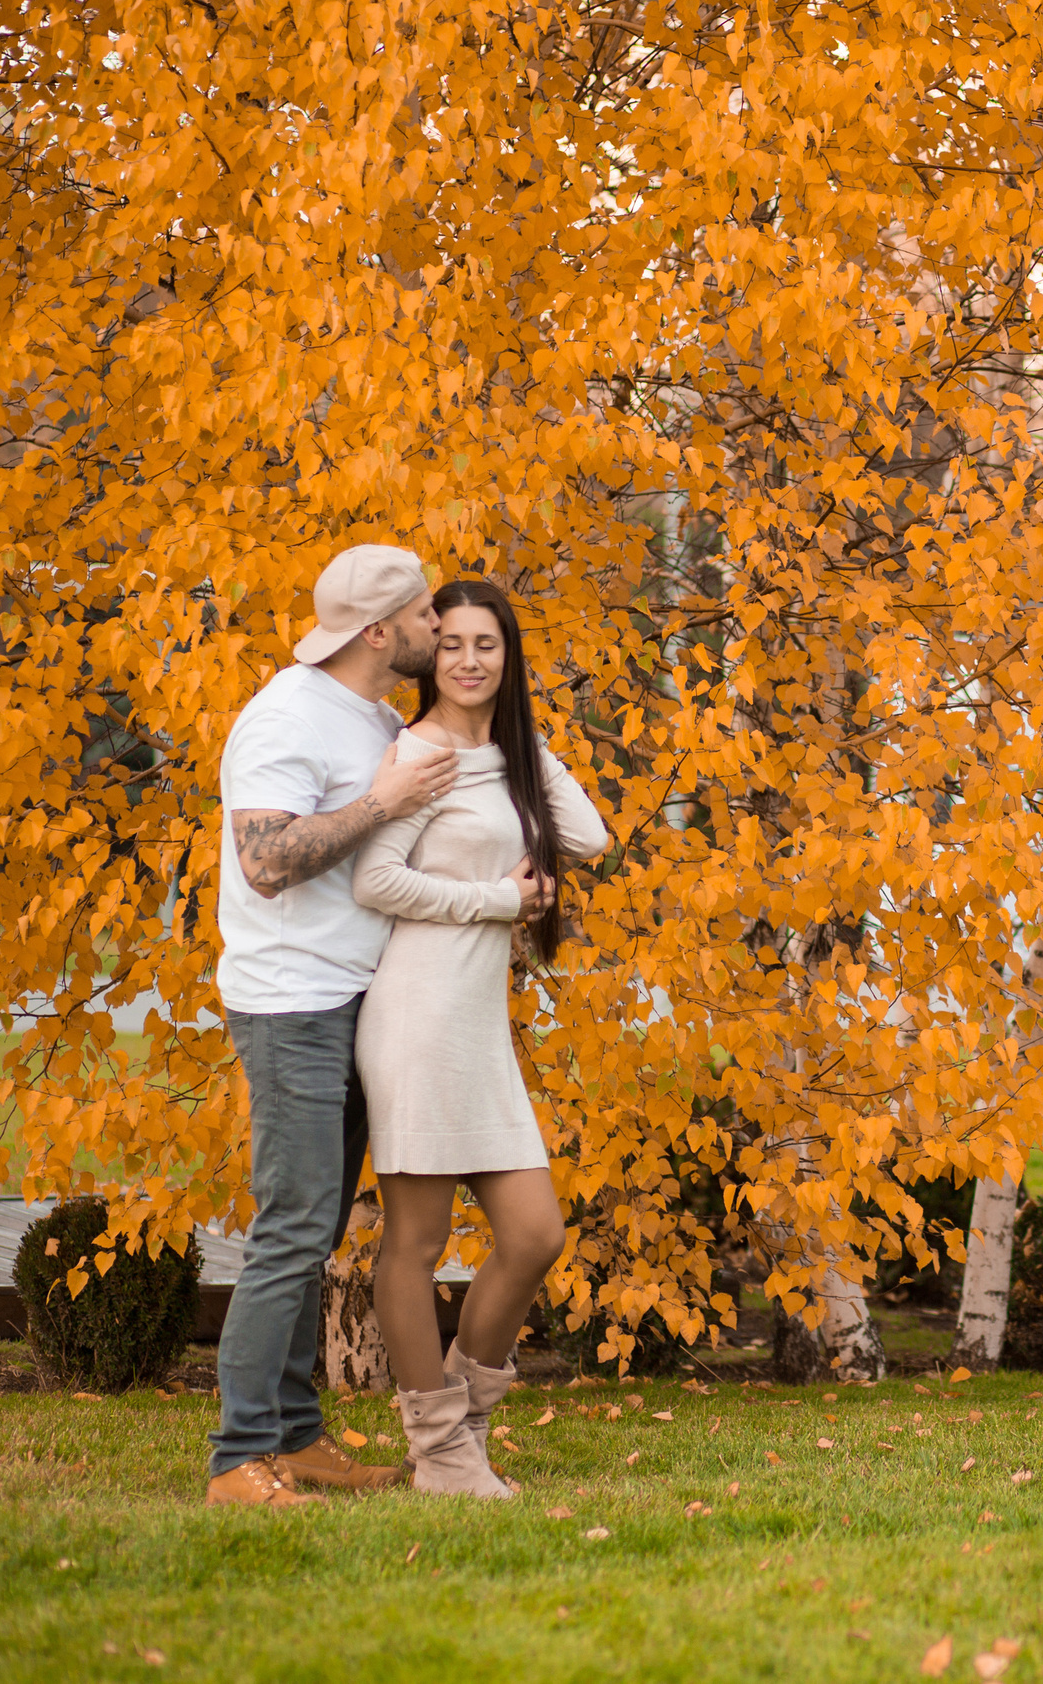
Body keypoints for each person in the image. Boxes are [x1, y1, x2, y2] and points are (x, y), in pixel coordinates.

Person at [207, 544, 456, 1508]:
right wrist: (379, 803)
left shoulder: (376, 715)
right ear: (380, 630)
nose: (439, 627)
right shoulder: (284, 716)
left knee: (313, 1228)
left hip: (352, 997)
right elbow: (267, 861)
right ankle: (238, 1458)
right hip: (291, 1002)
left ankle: (297, 1437)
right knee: (293, 1224)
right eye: (428, 613)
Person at [353, 580, 608, 1497]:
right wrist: (498, 900)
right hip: (416, 1017)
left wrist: (516, 740)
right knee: (414, 1245)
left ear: (509, 655)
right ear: (432, 652)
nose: (467, 660)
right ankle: (441, 1449)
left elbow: (590, 835)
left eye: (487, 645)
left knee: (536, 1233)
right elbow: (375, 881)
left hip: (476, 1029)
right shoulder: (416, 755)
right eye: (451, 642)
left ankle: (459, 1419)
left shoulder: (503, 754)